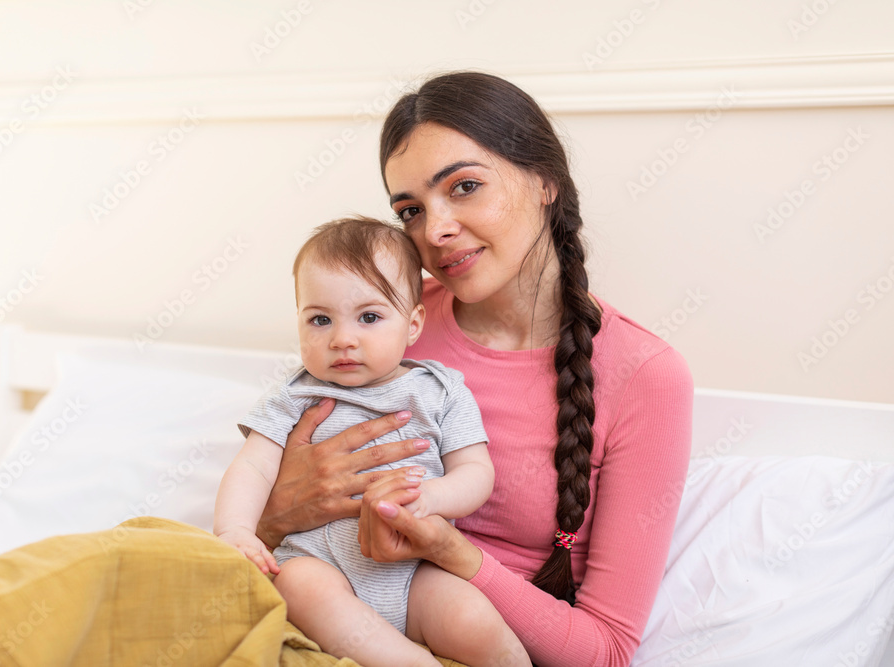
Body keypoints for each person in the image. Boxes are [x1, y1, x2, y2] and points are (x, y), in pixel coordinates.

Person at [256, 72, 694, 667]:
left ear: (545, 182)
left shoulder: (644, 374)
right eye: (410, 209)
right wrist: (285, 508)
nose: (433, 231)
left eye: (463, 187)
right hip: (328, 607)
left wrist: (453, 552)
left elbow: (606, 653)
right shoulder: (379, 327)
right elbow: (274, 507)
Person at [214, 217, 532, 667]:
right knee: (300, 586)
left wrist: (432, 495)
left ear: (413, 323)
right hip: (321, 564)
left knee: (472, 618)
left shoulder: (441, 391)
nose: (343, 339)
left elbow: (477, 472)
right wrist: (235, 530)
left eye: (369, 317)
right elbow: (253, 467)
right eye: (320, 319)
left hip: (414, 572)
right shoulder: (296, 396)